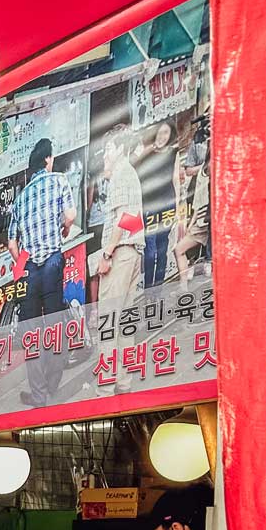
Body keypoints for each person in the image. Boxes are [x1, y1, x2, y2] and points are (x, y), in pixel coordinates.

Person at [7, 137, 76, 406]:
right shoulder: (58, 180)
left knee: (32, 333)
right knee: (56, 327)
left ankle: (38, 395)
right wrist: (64, 229)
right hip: (52, 263)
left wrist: (22, 261)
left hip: (31, 271)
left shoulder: (21, 198)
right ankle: (52, 385)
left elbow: (12, 242)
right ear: (47, 159)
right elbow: (69, 215)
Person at [97, 126, 145, 392]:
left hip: (121, 253)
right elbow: (133, 219)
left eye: (108, 149)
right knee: (124, 321)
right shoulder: (129, 174)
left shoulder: (122, 174)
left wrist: (107, 254)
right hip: (132, 251)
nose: (105, 155)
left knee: (108, 320)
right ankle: (123, 382)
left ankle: (105, 388)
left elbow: (123, 219)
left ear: (120, 149)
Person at [131, 122, 179, 288]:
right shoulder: (148, 152)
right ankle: (148, 289)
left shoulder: (174, 153)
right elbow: (133, 165)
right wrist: (150, 148)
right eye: (159, 133)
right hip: (149, 206)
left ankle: (159, 288)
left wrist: (178, 206)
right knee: (149, 250)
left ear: (171, 134)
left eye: (166, 133)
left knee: (162, 248)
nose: (162, 136)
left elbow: (175, 180)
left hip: (167, 205)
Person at [173, 118, 210, 284]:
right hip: (203, 218)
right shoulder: (203, 171)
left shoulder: (208, 173)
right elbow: (198, 201)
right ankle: (184, 287)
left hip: (205, 220)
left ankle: (183, 288)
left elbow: (200, 202)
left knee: (179, 249)